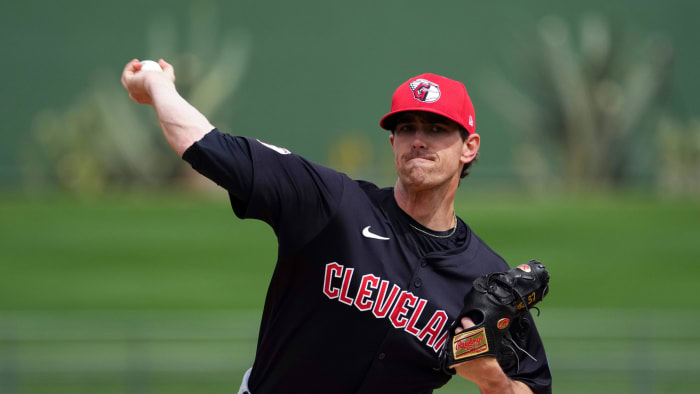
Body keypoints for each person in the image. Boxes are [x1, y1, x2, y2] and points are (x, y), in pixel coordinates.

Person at [121, 59, 552, 394]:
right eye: (406, 128)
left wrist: (490, 379)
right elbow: (209, 146)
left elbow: (531, 387)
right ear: (393, 142)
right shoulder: (334, 203)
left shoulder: (483, 276)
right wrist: (158, 86)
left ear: (469, 148)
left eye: (437, 129)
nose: (418, 139)